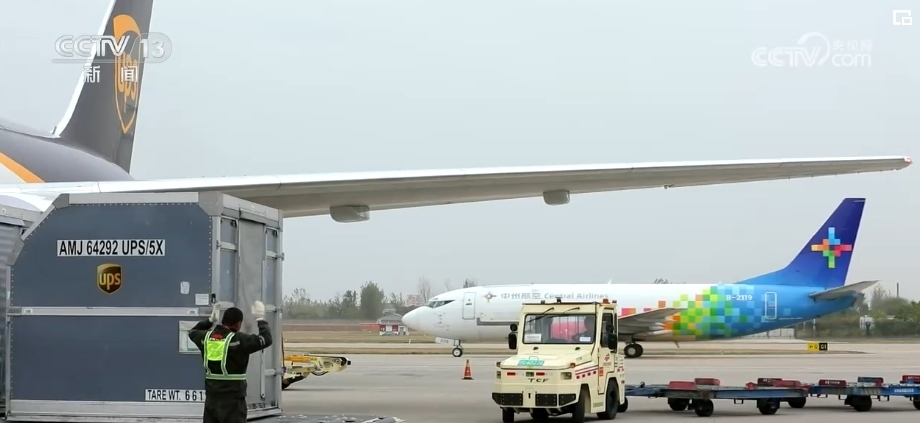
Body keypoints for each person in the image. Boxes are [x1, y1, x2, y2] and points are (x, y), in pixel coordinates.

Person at [188, 301, 273, 423]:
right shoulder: (239, 340)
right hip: (234, 402)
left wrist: (210, 321)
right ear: (238, 324)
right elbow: (266, 339)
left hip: (212, 400)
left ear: (223, 321)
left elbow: (192, 332)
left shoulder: (206, 338)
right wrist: (260, 319)